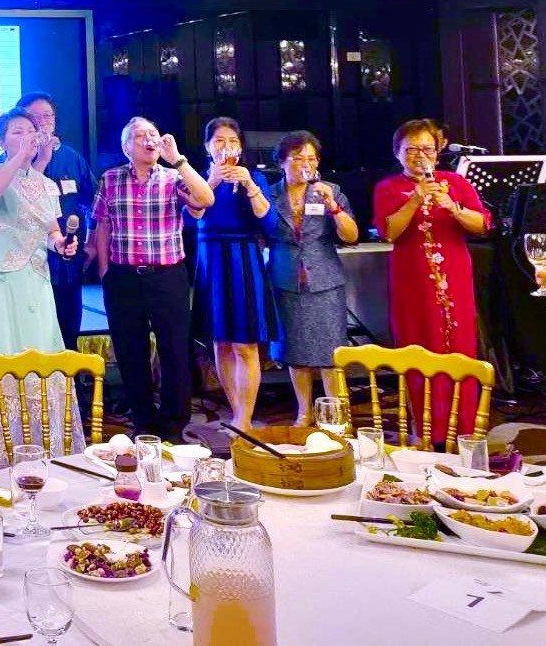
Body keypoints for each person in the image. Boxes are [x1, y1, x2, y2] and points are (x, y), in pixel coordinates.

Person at [91, 116, 214, 440]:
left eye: (154, 134)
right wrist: (104, 271)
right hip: (123, 278)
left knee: (175, 351)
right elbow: (102, 224)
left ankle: (173, 425)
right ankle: (143, 422)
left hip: (167, 277)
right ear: (126, 147)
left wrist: (179, 159)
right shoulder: (110, 179)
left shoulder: (174, 177)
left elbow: (205, 199)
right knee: (130, 352)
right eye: (140, 136)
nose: (149, 139)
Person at [0, 110, 83, 464]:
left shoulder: (47, 185)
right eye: (16, 132)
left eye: (30, 131)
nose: (26, 137)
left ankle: (44, 442)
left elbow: (51, 231)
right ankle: (2, 447)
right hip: (0, 279)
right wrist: (19, 157)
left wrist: (61, 245)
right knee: (3, 353)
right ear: (1, 141)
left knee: (41, 351)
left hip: (35, 278)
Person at [373, 119, 491, 445]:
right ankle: (427, 433)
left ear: (438, 153)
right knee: (418, 349)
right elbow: (389, 231)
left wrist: (453, 208)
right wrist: (415, 199)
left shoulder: (455, 182)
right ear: (398, 153)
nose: (420, 155)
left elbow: (482, 224)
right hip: (412, 283)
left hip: (455, 279)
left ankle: (465, 432)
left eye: (427, 149)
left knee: (461, 349)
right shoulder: (388, 188)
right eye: (411, 149)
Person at [265, 131, 359, 425]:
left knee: (331, 352)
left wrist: (333, 206)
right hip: (285, 278)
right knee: (296, 350)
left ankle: (338, 415)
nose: (305, 164)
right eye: (297, 158)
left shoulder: (331, 190)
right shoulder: (268, 194)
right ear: (282, 162)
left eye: (311, 158)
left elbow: (351, 235)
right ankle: (304, 413)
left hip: (325, 280)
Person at [191, 117, 278, 431]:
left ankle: (245, 417)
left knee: (245, 343)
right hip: (211, 258)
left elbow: (270, 224)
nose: (226, 147)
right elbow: (191, 216)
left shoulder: (254, 177)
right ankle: (236, 412)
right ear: (207, 147)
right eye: (219, 141)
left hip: (244, 258)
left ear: (241, 148)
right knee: (222, 342)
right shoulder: (198, 178)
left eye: (233, 141)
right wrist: (213, 180)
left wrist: (251, 186)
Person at [10, 92, 95, 349]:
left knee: (69, 327)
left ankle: (68, 371)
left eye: (48, 116)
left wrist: (91, 242)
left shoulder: (71, 158)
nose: (43, 122)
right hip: (28, 261)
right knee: (33, 333)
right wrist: (41, 157)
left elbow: (94, 202)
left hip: (67, 260)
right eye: (35, 118)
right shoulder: (10, 162)